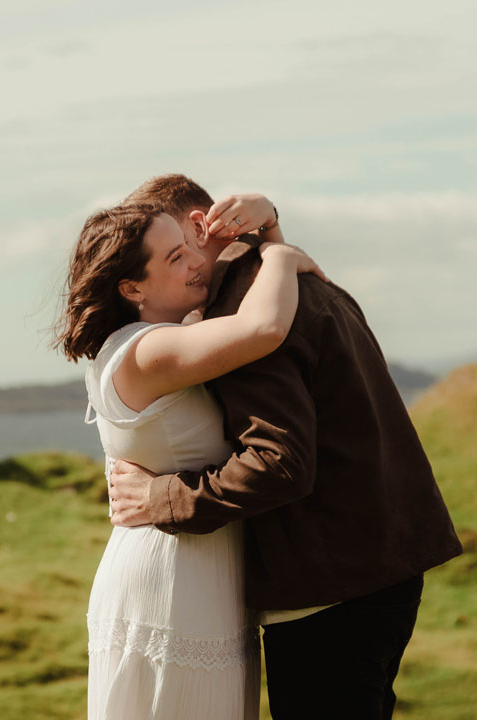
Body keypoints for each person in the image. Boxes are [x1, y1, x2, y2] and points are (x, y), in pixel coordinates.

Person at [108, 174, 463, 719]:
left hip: (331, 587)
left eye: (177, 247)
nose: (183, 265)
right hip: (381, 566)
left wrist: (161, 499)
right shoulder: (290, 276)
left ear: (205, 224)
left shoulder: (244, 306)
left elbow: (278, 463)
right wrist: (274, 234)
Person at [54, 198, 326, 719]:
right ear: (132, 289)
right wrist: (282, 257)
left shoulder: (176, 338)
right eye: (175, 258)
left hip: (204, 567)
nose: (195, 262)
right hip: (170, 576)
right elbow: (265, 329)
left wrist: (265, 223)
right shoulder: (145, 351)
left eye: (188, 249)